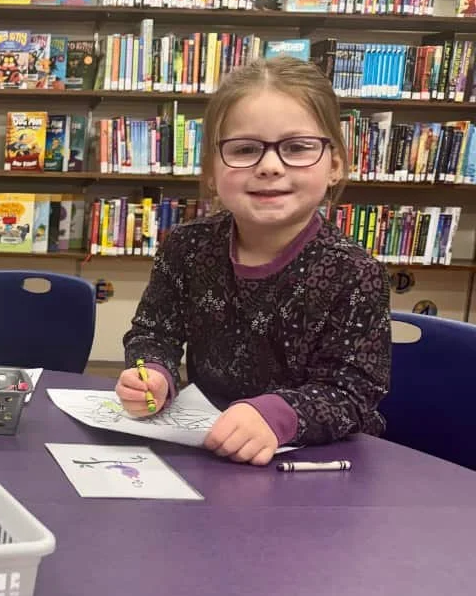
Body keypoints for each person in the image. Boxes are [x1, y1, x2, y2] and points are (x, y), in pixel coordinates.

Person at [117, 56, 391, 465]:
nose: (269, 166)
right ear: (211, 170)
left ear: (334, 165)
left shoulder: (355, 273)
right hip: (207, 448)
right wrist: (153, 372)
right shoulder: (187, 247)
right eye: (245, 149)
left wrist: (276, 414)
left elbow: (352, 392)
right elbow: (154, 332)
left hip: (316, 466)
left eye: (297, 147)